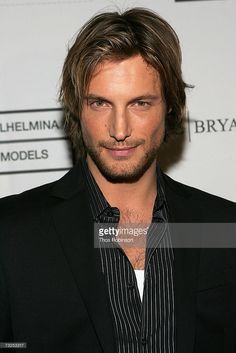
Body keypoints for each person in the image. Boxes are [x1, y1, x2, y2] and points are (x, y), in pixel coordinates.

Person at [0, 7, 235, 353]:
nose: (119, 130)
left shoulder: (221, 227)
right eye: (100, 104)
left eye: (140, 103)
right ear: (77, 108)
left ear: (171, 107)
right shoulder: (13, 233)